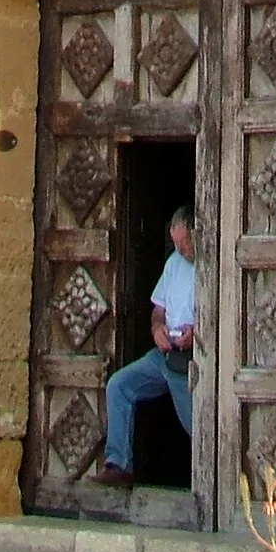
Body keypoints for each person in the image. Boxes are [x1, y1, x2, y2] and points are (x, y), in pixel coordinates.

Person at [98, 207, 196, 486]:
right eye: (176, 243)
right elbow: (158, 309)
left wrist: (197, 334)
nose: (180, 249)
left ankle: (223, 488)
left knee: (196, 426)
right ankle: (119, 465)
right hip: (164, 355)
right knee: (119, 385)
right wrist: (157, 329)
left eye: (185, 243)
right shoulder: (175, 263)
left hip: (191, 359)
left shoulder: (214, 263)